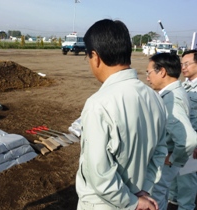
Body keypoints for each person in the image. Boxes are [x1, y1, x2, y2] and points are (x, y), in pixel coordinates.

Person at [75, 19, 168, 210]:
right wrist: (143, 190)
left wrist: (132, 202)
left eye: (88, 57)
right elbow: (160, 152)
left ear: (96, 57)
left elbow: (99, 174)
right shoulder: (155, 98)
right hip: (138, 193)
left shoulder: (98, 104)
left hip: (102, 204)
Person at [146, 53, 197, 210]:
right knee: (167, 193)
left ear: (162, 72)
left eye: (149, 72)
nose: (147, 77)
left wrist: (174, 158)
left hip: (173, 154)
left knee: (158, 197)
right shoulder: (180, 88)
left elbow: (189, 140)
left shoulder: (172, 98)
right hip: (174, 149)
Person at [168, 49, 197, 210]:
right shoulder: (184, 85)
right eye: (182, 64)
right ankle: (173, 201)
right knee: (175, 176)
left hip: (192, 142)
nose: (183, 67)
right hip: (179, 140)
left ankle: (186, 207)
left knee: (187, 180)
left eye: (187, 64)